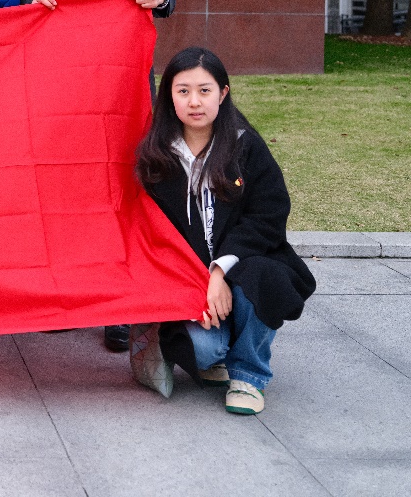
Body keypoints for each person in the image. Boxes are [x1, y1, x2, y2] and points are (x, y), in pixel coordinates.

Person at [23, 0, 175, 353]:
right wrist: (36, 3)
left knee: (121, 185)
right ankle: (68, 296)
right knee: (65, 187)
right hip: (61, 82)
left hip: (121, 82)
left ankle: (119, 307)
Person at [130, 46, 315, 414]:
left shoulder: (245, 145)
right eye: (183, 91)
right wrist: (195, 284)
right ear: (169, 95)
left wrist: (219, 271)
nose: (194, 102)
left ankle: (249, 374)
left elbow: (268, 215)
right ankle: (212, 352)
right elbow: (150, 228)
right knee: (203, 349)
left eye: (205, 90)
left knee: (263, 279)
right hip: (186, 274)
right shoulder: (156, 152)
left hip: (246, 265)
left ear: (223, 93)